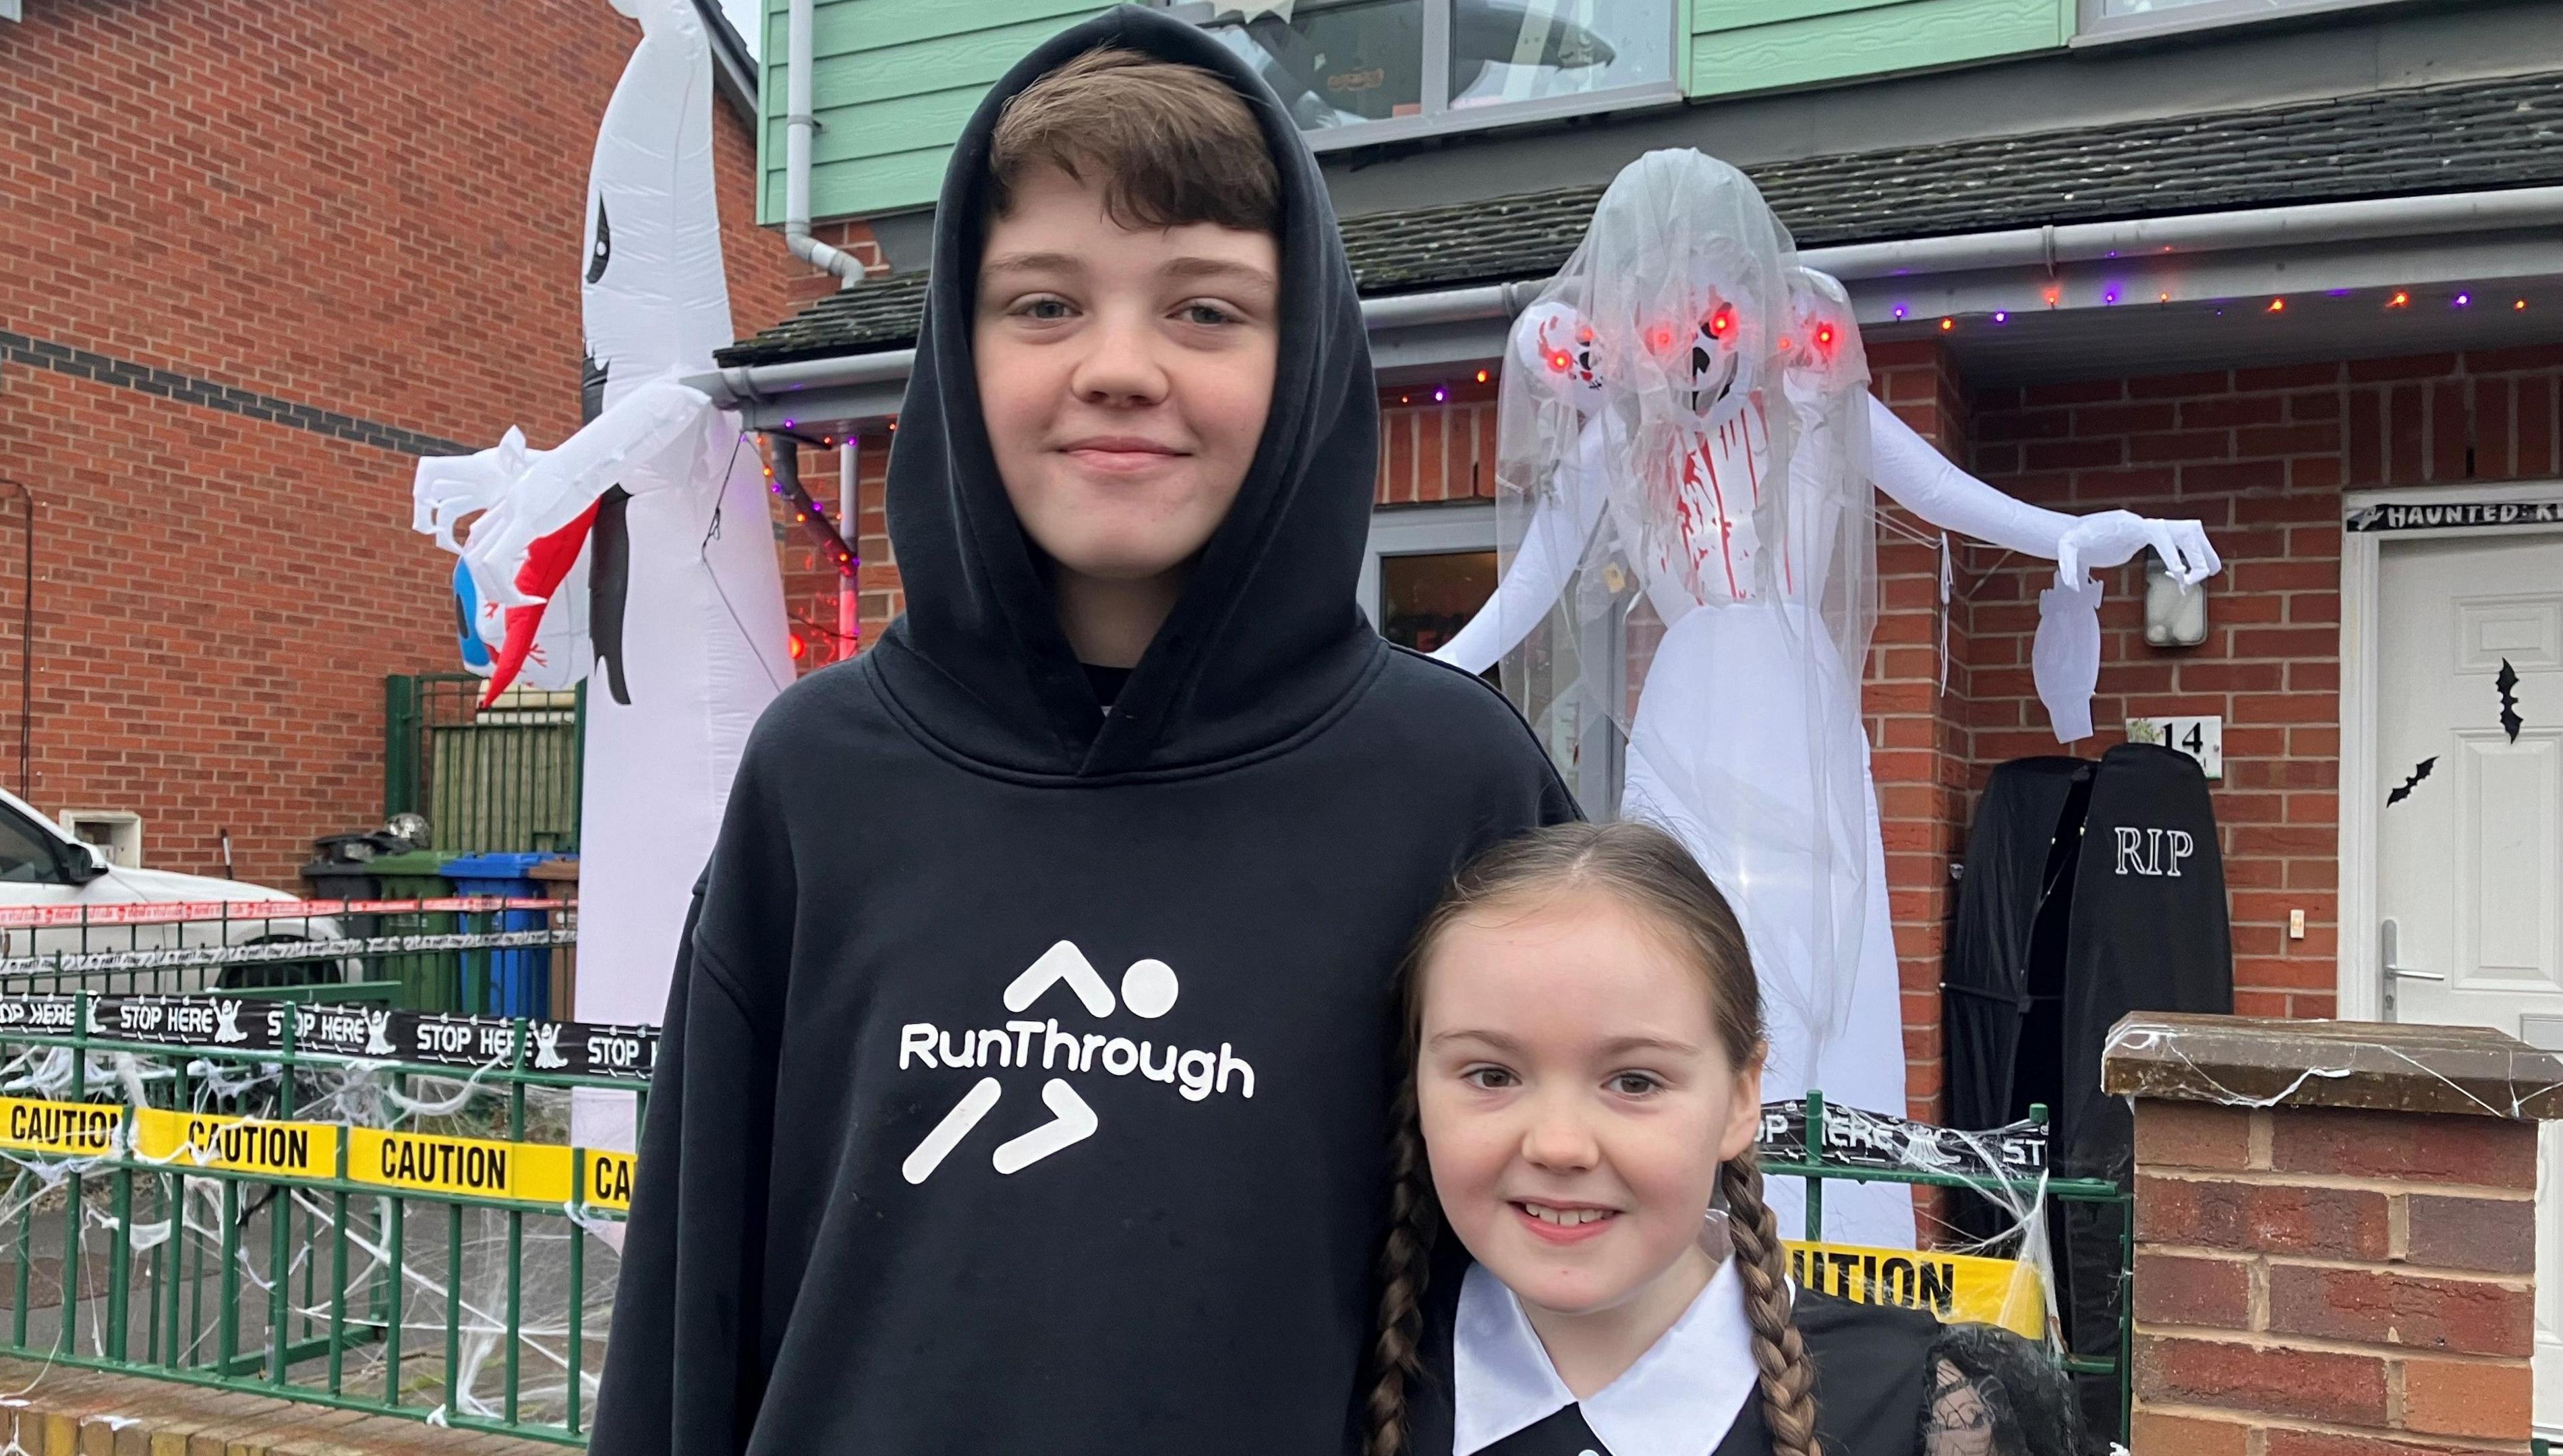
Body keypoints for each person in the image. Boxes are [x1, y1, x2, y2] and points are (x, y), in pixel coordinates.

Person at [589, 10, 1572, 1454]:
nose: (1120, 365)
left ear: (1303, 362)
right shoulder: (821, 774)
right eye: (1045, 304)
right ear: (956, 344)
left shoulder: (1454, 784)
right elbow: (693, 1292)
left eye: (1207, 308)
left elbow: (1568, 1290)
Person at [1435, 152, 2217, 1247]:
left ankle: (1820, 1236)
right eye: (1661, 318)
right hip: (1688, 711)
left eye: (1709, 310)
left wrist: (2085, 533)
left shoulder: (1809, 405)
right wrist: (1430, 666)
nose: (1692, 348)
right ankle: (1686, 1221)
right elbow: (1531, 582)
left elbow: (1943, 491)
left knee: (1807, 952)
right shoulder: (1620, 436)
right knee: (1679, 944)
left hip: (1789, 713)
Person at [1360, 820, 2081, 1456]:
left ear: (1742, 1095)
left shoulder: (1931, 1411)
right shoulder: (1341, 1379)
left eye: (1634, 1081)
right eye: (1491, 1073)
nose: (1558, 1143)